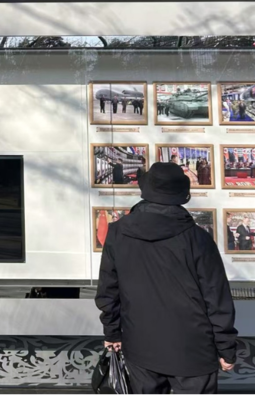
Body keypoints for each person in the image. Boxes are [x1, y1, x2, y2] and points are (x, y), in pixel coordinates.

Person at [96, 162, 237, 395]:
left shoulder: (117, 233)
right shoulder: (198, 239)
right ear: (182, 194)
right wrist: (226, 348)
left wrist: (112, 331)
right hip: (194, 349)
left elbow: (108, 290)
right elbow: (217, 299)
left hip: (140, 345)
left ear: (146, 190)